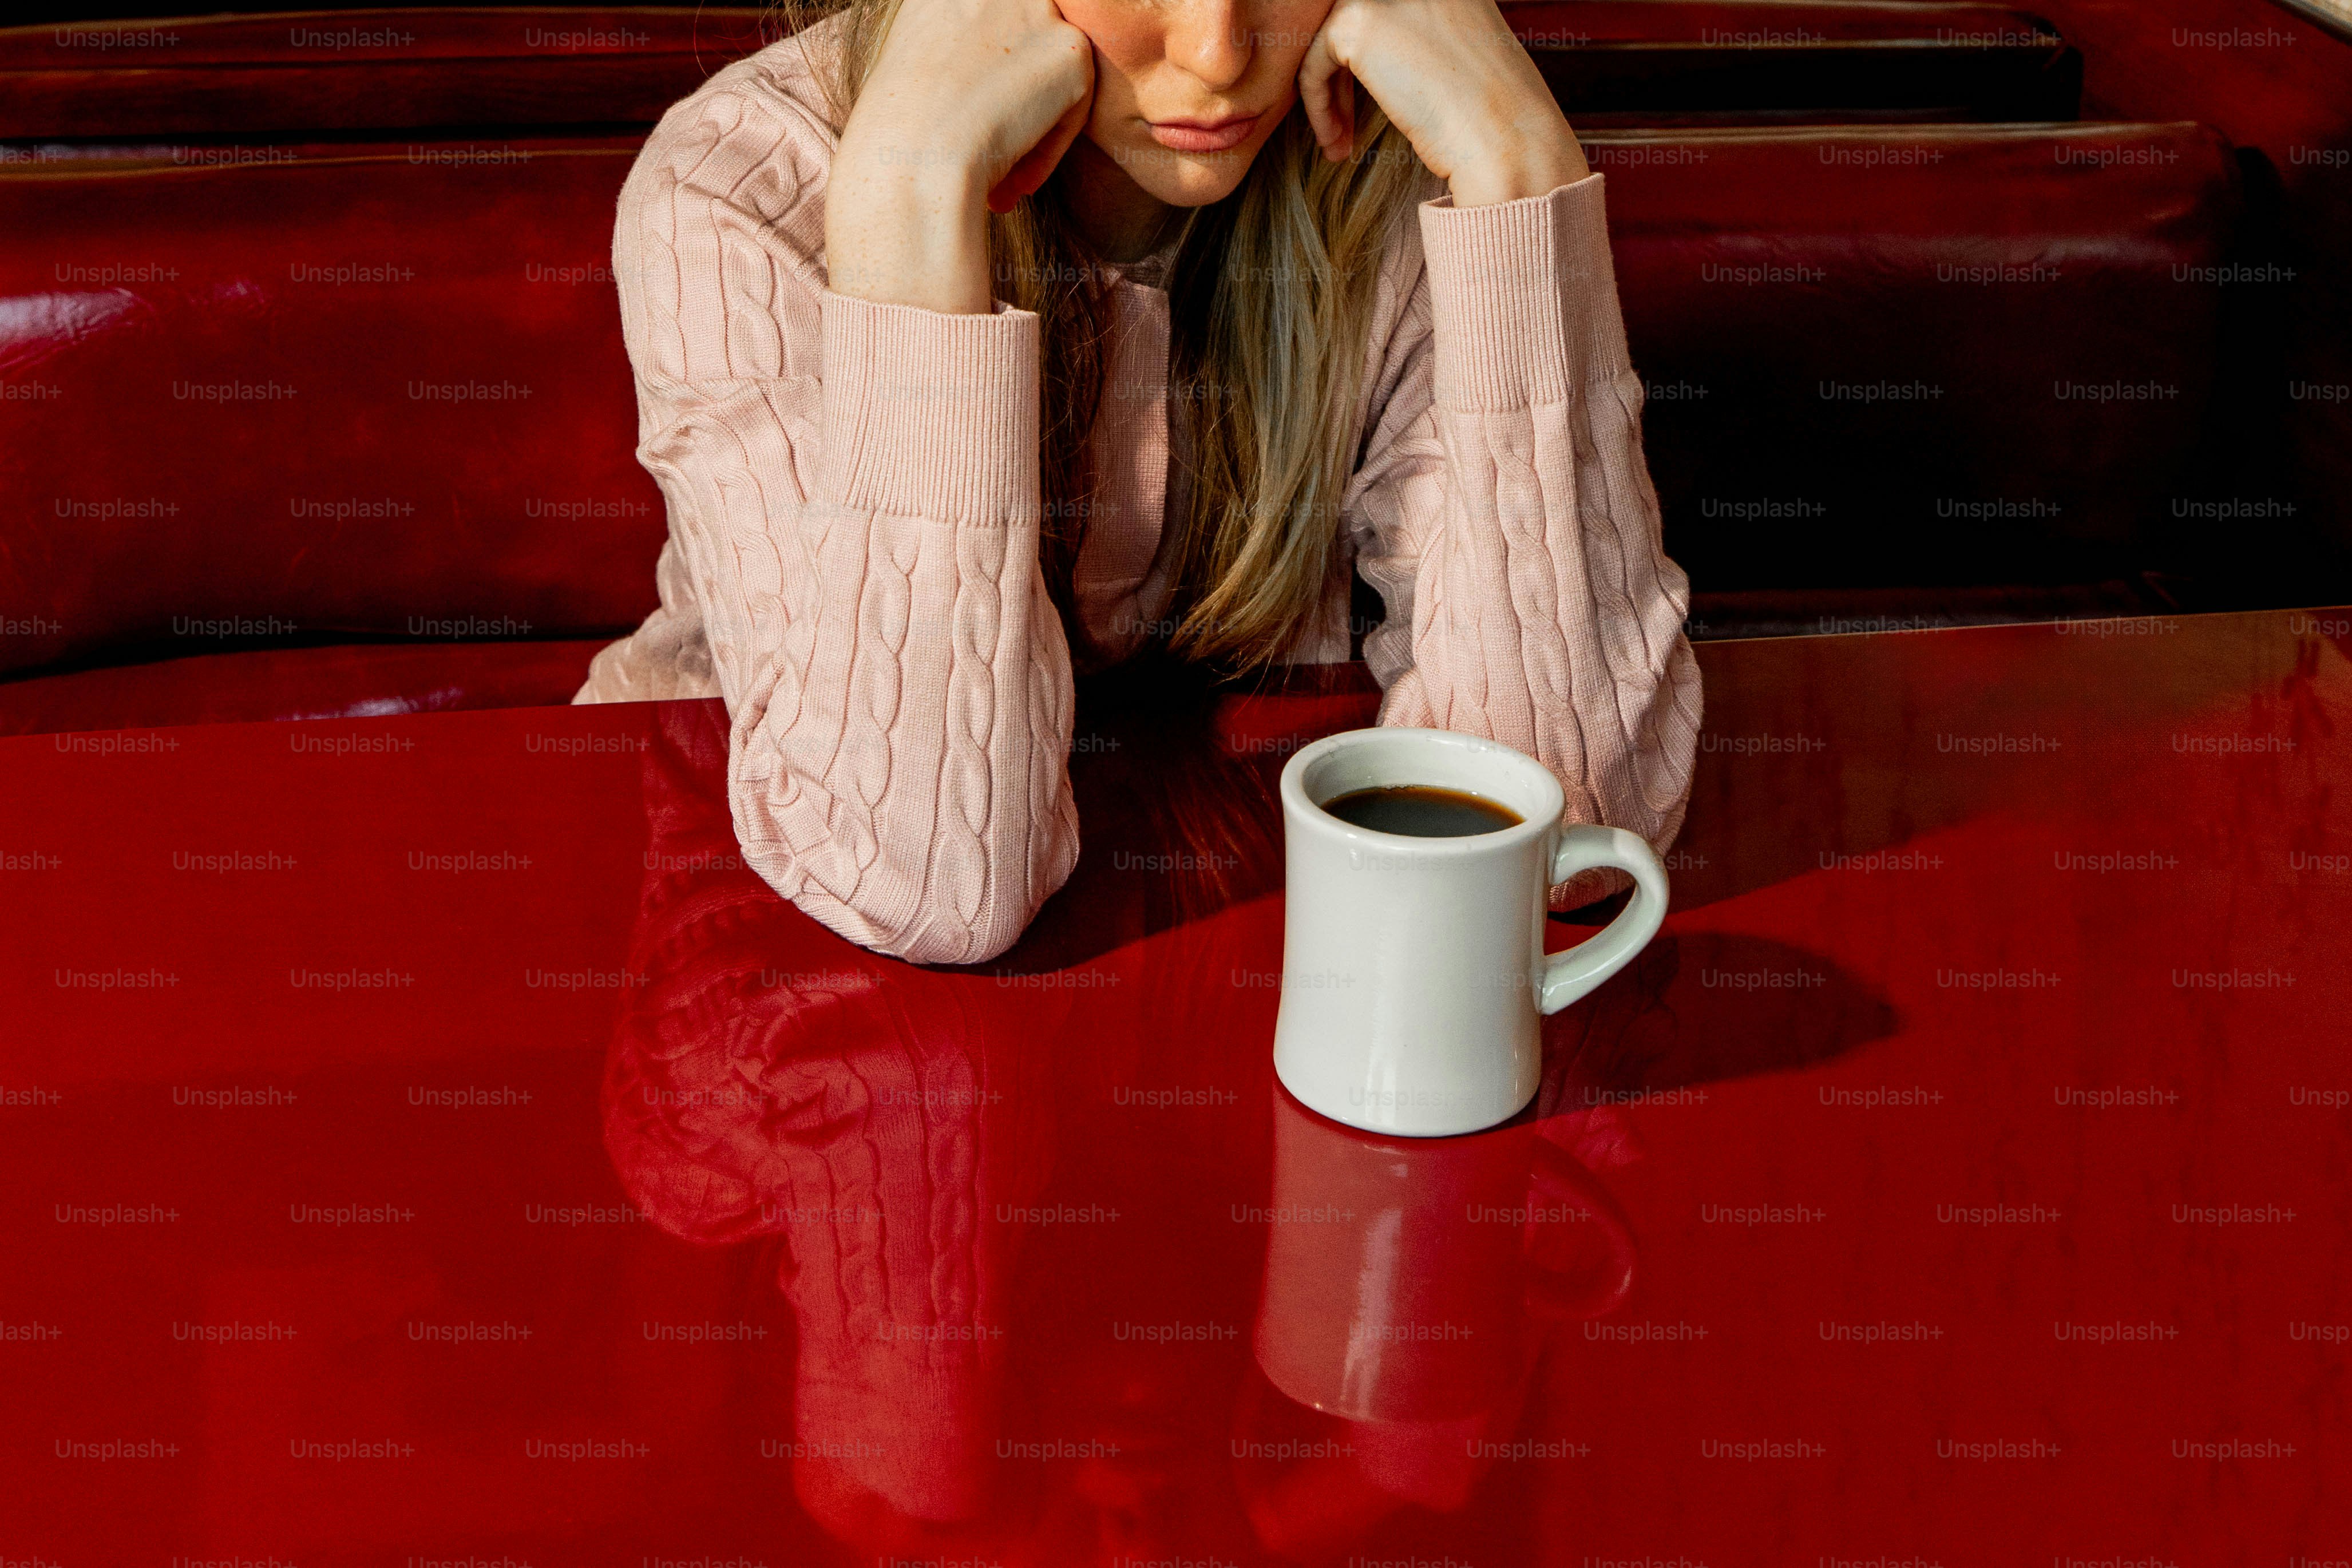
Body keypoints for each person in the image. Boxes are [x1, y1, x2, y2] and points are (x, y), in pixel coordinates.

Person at [574, 0, 1703, 964]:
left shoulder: (1388, 139)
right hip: (778, 928)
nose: (1218, 50)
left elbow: (1565, 835)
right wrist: (911, 199)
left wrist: (1518, 166)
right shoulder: (744, 185)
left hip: (1216, 944)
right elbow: (923, 880)